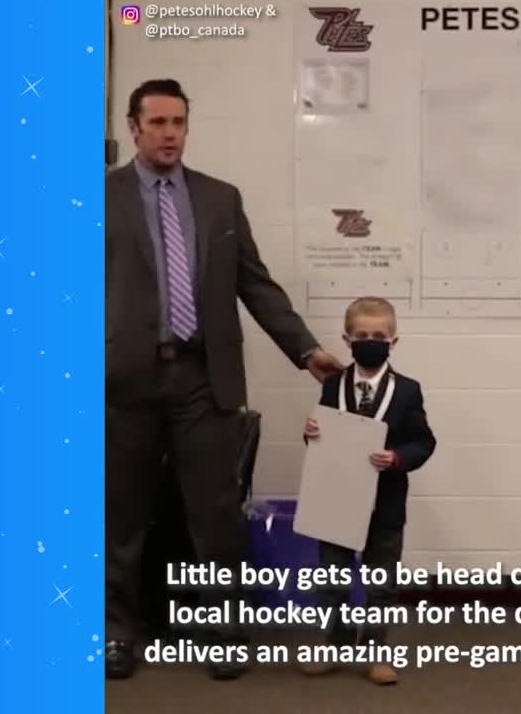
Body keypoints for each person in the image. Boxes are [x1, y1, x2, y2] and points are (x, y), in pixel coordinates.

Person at [105, 78, 344, 681]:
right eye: (156, 122)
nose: (168, 133)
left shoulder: (219, 199)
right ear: (133, 127)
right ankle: (114, 634)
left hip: (201, 379)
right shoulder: (96, 199)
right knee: (119, 516)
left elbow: (255, 284)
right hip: (121, 382)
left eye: (178, 122)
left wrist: (305, 349)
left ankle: (225, 634)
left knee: (214, 515)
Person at [300, 296, 437, 685]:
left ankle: (376, 651)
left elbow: (424, 442)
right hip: (335, 501)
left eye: (378, 335)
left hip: (385, 504)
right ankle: (334, 642)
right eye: (362, 335)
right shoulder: (333, 386)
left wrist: (396, 458)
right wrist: (310, 433)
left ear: (394, 341)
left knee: (382, 583)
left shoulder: (408, 391)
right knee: (331, 580)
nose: (370, 341)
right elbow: (321, 436)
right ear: (347, 339)